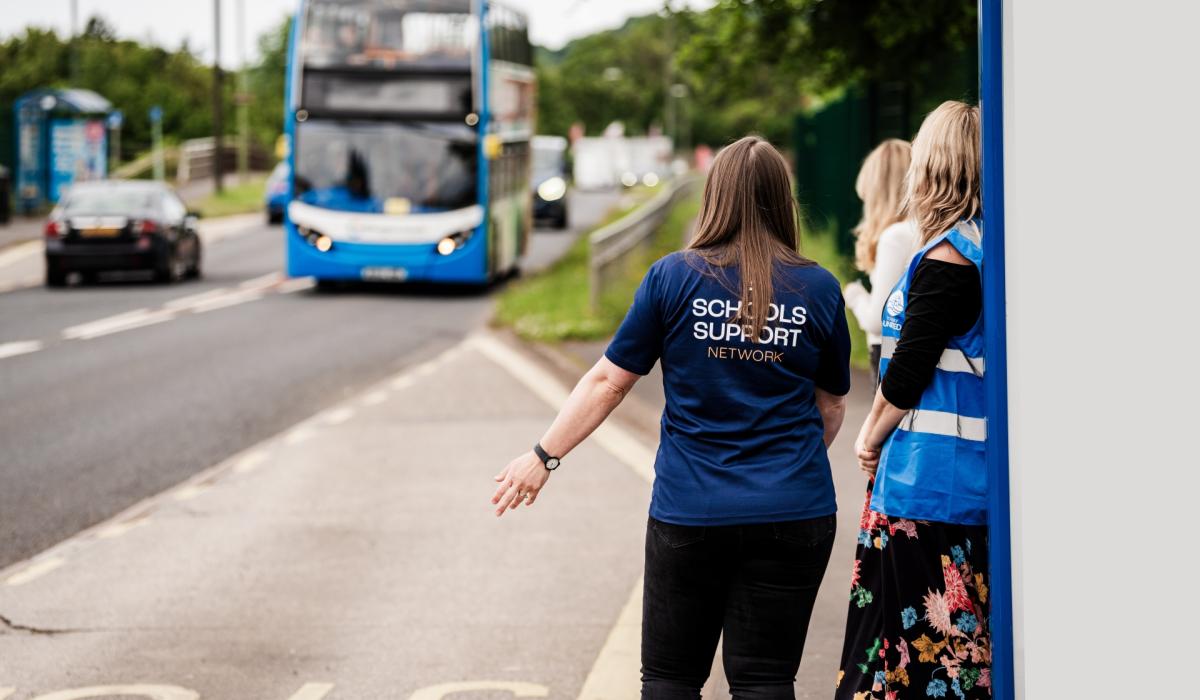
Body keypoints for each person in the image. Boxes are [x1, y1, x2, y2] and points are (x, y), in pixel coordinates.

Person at [492, 136, 852, 699]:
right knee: (766, 678)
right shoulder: (820, 288)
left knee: (671, 679)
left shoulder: (673, 278)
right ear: (784, 200)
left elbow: (609, 381)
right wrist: (788, 468)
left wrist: (543, 457)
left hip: (692, 509)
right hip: (795, 509)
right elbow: (831, 405)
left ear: (715, 196)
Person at [834, 101, 990, 699]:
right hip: (945, 482)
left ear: (934, 165)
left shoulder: (949, 259)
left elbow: (907, 373)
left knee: (924, 663)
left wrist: (868, 437)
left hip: (930, 486)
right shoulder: (977, 246)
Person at [843, 140, 919, 385]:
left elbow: (878, 321)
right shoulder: (921, 230)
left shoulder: (895, 237)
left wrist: (855, 296)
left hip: (889, 354)